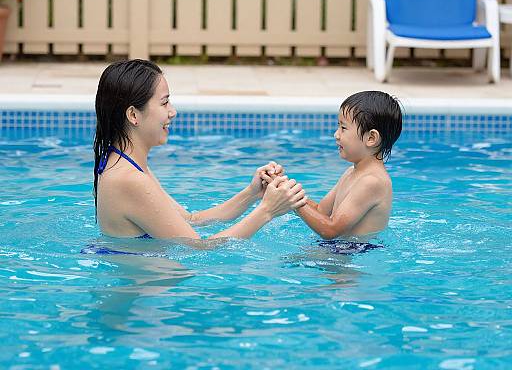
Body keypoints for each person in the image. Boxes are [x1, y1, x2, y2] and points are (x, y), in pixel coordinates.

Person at [93, 59, 306, 241]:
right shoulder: (130, 179)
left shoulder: (126, 164)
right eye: (164, 103)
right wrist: (267, 211)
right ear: (133, 115)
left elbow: (191, 220)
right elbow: (199, 251)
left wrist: (252, 194)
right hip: (143, 287)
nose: (172, 112)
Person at [293, 91, 402, 241]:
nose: (336, 135)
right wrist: (288, 191)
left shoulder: (372, 182)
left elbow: (330, 230)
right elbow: (321, 211)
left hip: (355, 253)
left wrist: (293, 203)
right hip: (340, 249)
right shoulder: (351, 172)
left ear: (371, 138)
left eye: (343, 128)